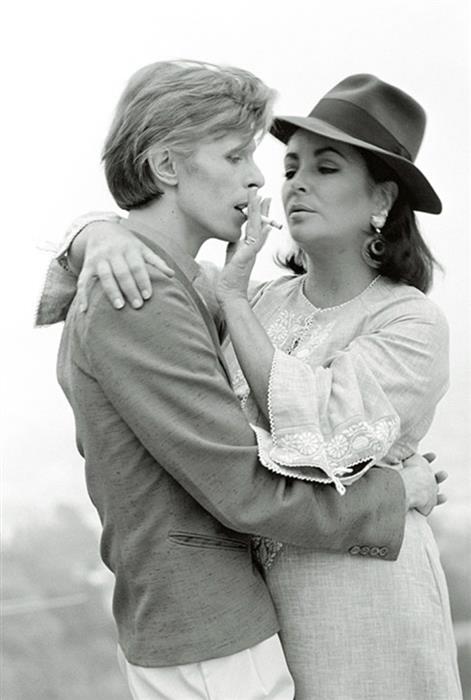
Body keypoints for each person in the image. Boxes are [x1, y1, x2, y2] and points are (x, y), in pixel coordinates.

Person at [37, 63, 445, 700]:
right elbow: (241, 483)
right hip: (233, 615)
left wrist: (104, 235)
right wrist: (95, 233)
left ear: (383, 200)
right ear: (170, 167)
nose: (275, 183)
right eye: (278, 165)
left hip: (360, 591)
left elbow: (320, 433)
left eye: (325, 168)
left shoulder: (404, 318)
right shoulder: (215, 298)